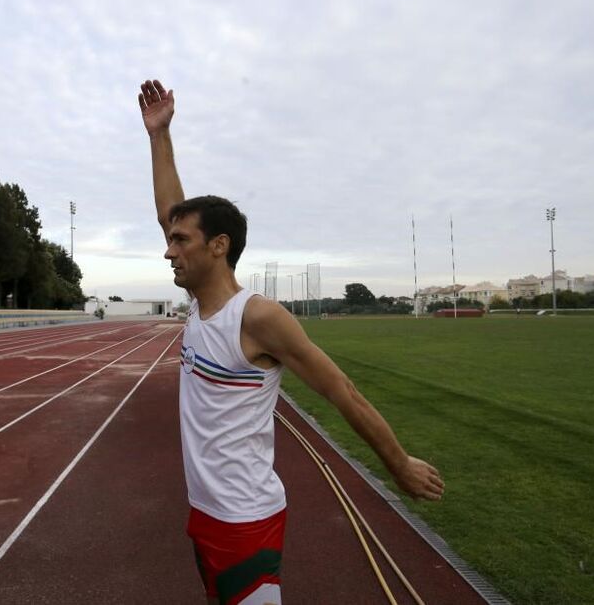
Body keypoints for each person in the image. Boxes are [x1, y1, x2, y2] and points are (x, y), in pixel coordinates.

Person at [138, 79, 444, 605]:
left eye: (181, 241)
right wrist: (159, 135)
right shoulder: (198, 304)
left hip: (245, 520)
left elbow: (341, 390)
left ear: (219, 246)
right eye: (170, 240)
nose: (169, 251)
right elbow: (169, 207)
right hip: (205, 511)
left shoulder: (257, 317)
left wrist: (399, 465)